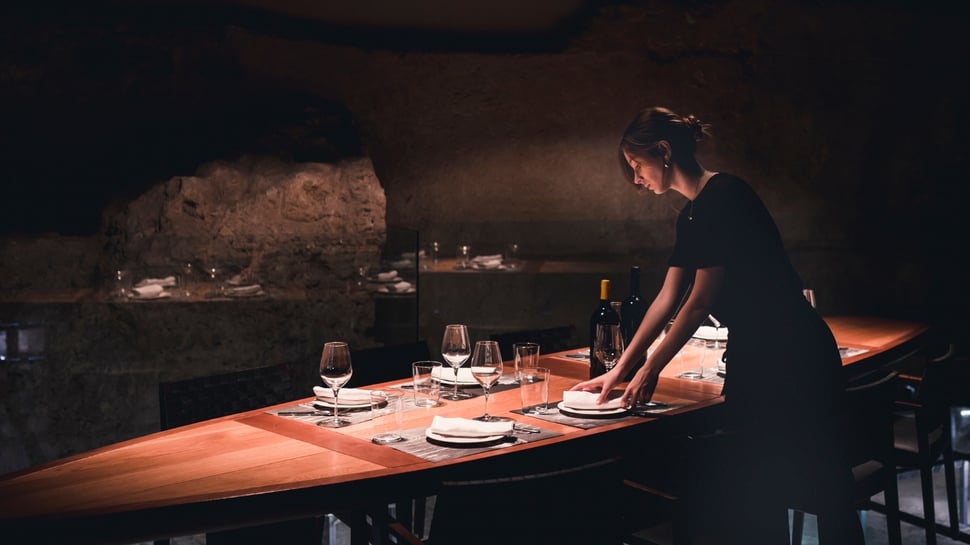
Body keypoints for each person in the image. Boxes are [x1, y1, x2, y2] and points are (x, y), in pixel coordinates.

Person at [571, 106, 863, 544]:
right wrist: (621, 370)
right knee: (762, 486)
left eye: (637, 165)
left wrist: (651, 370)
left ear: (663, 151)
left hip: (792, 352)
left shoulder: (725, 195)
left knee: (824, 486)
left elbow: (697, 302)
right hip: (757, 354)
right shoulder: (689, 214)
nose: (635, 179)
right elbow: (666, 300)